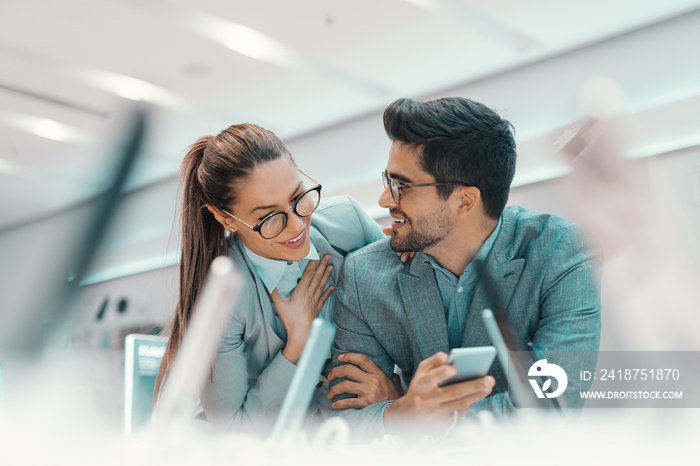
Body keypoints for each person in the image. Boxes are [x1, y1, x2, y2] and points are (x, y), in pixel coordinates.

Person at [328, 97, 602, 440]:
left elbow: (554, 402)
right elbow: (344, 422)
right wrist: (404, 412)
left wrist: (411, 412)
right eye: (388, 180)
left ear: (464, 200)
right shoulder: (363, 275)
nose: (385, 200)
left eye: (402, 185)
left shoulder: (562, 251)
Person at [154, 124, 400, 434]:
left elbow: (406, 317)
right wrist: (297, 344)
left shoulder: (348, 223)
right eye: (269, 218)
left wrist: (398, 396)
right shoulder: (220, 299)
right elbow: (231, 433)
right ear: (225, 218)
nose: (297, 226)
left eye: (298, 197)